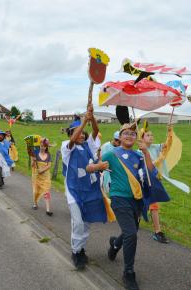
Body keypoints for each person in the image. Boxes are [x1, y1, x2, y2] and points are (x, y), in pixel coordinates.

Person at [102, 122, 169, 290]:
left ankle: (115, 245)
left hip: (137, 200)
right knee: (131, 233)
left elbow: (150, 171)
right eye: (126, 133)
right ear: (120, 136)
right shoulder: (111, 154)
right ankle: (129, 272)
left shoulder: (139, 155)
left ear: (136, 138)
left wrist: (146, 152)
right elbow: (95, 166)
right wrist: (95, 167)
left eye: (133, 134)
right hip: (118, 198)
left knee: (130, 231)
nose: (129, 136)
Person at [61, 106, 109, 270]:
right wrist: (83, 122)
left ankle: (81, 249)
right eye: (77, 132)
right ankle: (75, 251)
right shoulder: (66, 145)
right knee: (78, 223)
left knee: (87, 222)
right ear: (70, 133)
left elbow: (95, 130)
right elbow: (74, 139)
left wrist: (92, 117)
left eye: (83, 132)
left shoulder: (89, 145)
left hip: (90, 189)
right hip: (74, 190)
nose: (81, 134)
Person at [140, 125, 173, 244]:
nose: (151, 137)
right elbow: (147, 167)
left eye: (152, 135)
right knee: (148, 204)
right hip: (145, 181)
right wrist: (158, 160)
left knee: (152, 205)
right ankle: (155, 231)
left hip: (155, 180)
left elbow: (167, 145)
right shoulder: (140, 152)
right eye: (148, 135)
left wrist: (170, 133)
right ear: (141, 138)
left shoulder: (155, 147)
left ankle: (156, 231)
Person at [31, 138, 53, 216]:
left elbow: (49, 165)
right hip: (36, 176)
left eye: (44, 146)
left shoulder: (49, 155)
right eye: (41, 145)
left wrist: (42, 170)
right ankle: (35, 203)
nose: (42, 147)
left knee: (46, 191)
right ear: (39, 145)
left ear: (47, 147)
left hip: (46, 177)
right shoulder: (35, 154)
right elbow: (32, 166)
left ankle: (48, 209)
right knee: (36, 192)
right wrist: (33, 161)